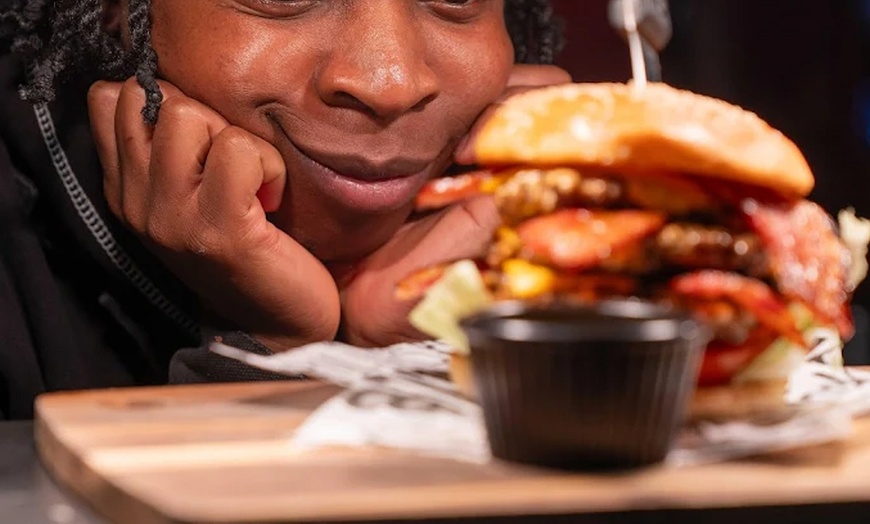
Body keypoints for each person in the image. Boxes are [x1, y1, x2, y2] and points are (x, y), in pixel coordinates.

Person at [0, 0, 572, 419]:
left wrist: (429, 341)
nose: (390, 82)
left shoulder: (574, 247)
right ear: (115, 9)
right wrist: (262, 348)